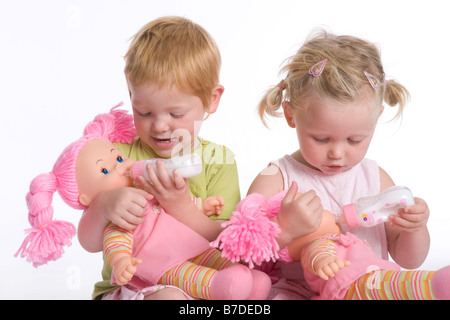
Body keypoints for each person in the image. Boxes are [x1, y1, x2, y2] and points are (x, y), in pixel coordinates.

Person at [248, 30, 431, 299]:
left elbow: (410, 260)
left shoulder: (375, 179)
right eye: (321, 139)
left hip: (369, 289)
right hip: (297, 292)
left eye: (355, 139)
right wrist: (284, 230)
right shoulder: (276, 178)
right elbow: (242, 258)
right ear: (291, 115)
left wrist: (414, 228)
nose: (337, 153)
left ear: (376, 120)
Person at [77, 16, 241, 300]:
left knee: (250, 285)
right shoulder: (118, 156)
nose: (160, 126)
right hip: (131, 287)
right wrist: (103, 206)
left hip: (203, 284)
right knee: (170, 298)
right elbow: (89, 243)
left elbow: (228, 245)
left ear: (212, 99)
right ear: (131, 95)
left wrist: (181, 207)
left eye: (176, 114)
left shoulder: (219, 161)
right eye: (144, 112)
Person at [216, 191, 450, 300]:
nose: (326, 212)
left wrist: (415, 226)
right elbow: (316, 254)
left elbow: (407, 258)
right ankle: (431, 285)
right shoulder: (318, 243)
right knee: (395, 286)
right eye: (316, 216)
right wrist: (323, 261)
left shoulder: (345, 236)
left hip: (368, 277)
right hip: (355, 282)